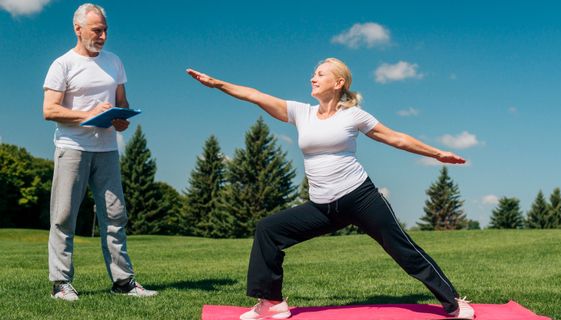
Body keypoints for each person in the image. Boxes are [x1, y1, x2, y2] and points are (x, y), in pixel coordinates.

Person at [186, 57, 475, 320]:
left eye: (320, 74)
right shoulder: (302, 113)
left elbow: (396, 138)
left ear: (338, 83)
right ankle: (272, 303)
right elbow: (255, 95)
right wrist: (217, 84)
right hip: (322, 206)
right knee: (269, 230)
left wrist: (437, 154)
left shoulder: (354, 116)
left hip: (361, 198)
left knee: (403, 249)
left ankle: (452, 302)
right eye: (313, 73)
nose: (313, 78)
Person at [43, 3, 157, 301]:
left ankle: (123, 282)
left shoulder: (114, 62)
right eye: (97, 30)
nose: (103, 36)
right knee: (64, 217)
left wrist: (121, 121)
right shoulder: (62, 65)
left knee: (115, 216)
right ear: (78, 29)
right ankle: (61, 283)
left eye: (105, 30)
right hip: (72, 148)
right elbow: (49, 110)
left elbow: (121, 101)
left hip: (107, 149)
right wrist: (89, 113)